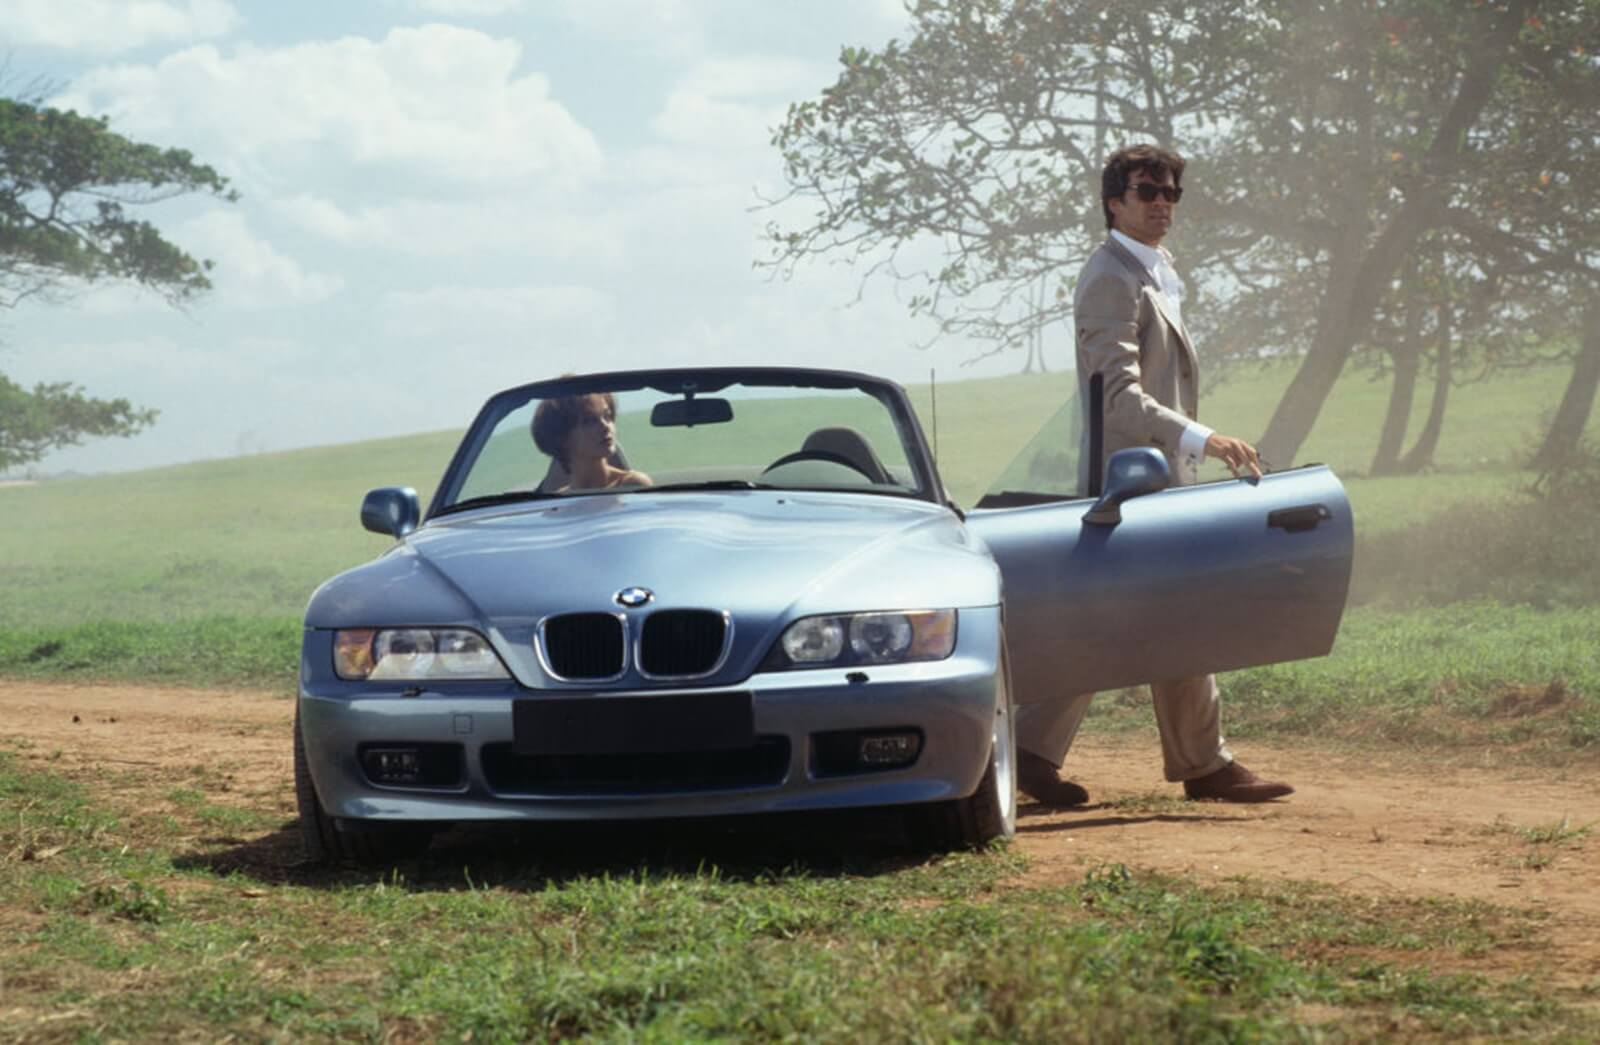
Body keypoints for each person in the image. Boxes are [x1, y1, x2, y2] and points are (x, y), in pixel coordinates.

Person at [1015, 144, 1292, 807]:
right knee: (1173, 610)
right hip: (1125, 482)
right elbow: (1117, 397)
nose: (1163, 202)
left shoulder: (1154, 271)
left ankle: (1038, 751)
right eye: (1147, 191)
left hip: (1151, 480)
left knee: (1146, 616)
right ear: (1115, 201)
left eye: (1171, 192)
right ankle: (1202, 764)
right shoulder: (1111, 277)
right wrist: (1204, 437)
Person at [531, 390, 651, 491]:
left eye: (607, 416)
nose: (605, 426)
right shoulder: (557, 503)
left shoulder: (632, 485)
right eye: (589, 421)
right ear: (562, 438)